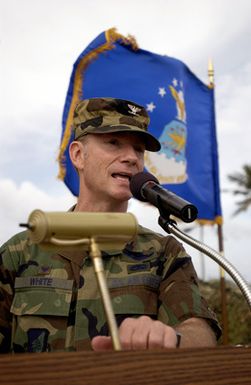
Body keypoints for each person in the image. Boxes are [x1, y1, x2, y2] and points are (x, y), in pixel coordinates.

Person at [0, 97, 221, 353]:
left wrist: (171, 337)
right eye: (113, 143)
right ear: (78, 155)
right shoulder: (20, 252)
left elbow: (201, 333)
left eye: (138, 149)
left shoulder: (163, 252)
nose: (131, 158)